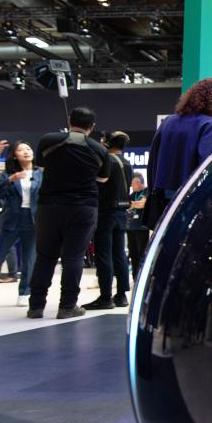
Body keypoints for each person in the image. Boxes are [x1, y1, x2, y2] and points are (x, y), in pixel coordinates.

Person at [28, 107, 111, 319]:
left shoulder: (48, 140)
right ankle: (67, 306)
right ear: (92, 126)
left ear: (69, 120)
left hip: (49, 205)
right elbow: (103, 179)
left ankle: (36, 306)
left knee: (45, 256)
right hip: (83, 207)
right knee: (73, 257)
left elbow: (41, 166)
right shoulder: (99, 150)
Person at [145, 78, 212, 229]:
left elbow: (152, 161)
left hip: (162, 201)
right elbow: (206, 168)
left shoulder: (168, 122)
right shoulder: (211, 126)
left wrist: (153, 193)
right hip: (191, 202)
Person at [0, 141, 42, 306]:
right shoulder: (8, 174)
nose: (26, 152)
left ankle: (25, 292)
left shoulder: (40, 174)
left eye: (28, 149)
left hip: (32, 220)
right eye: (21, 150)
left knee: (29, 259)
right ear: (14, 155)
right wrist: (10, 179)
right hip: (11, 219)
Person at [84, 131, 133, 310]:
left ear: (106, 143)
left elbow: (98, 184)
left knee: (104, 255)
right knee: (119, 254)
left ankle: (105, 297)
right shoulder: (127, 163)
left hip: (105, 213)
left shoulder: (107, 161)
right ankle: (121, 295)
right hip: (122, 213)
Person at [126, 172, 149, 281]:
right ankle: (135, 278)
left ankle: (142, 278)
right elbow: (127, 205)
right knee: (133, 254)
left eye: (132, 183)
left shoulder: (147, 191)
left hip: (142, 228)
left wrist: (132, 204)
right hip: (131, 228)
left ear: (139, 182)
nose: (131, 186)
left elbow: (142, 204)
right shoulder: (133, 194)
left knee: (141, 254)